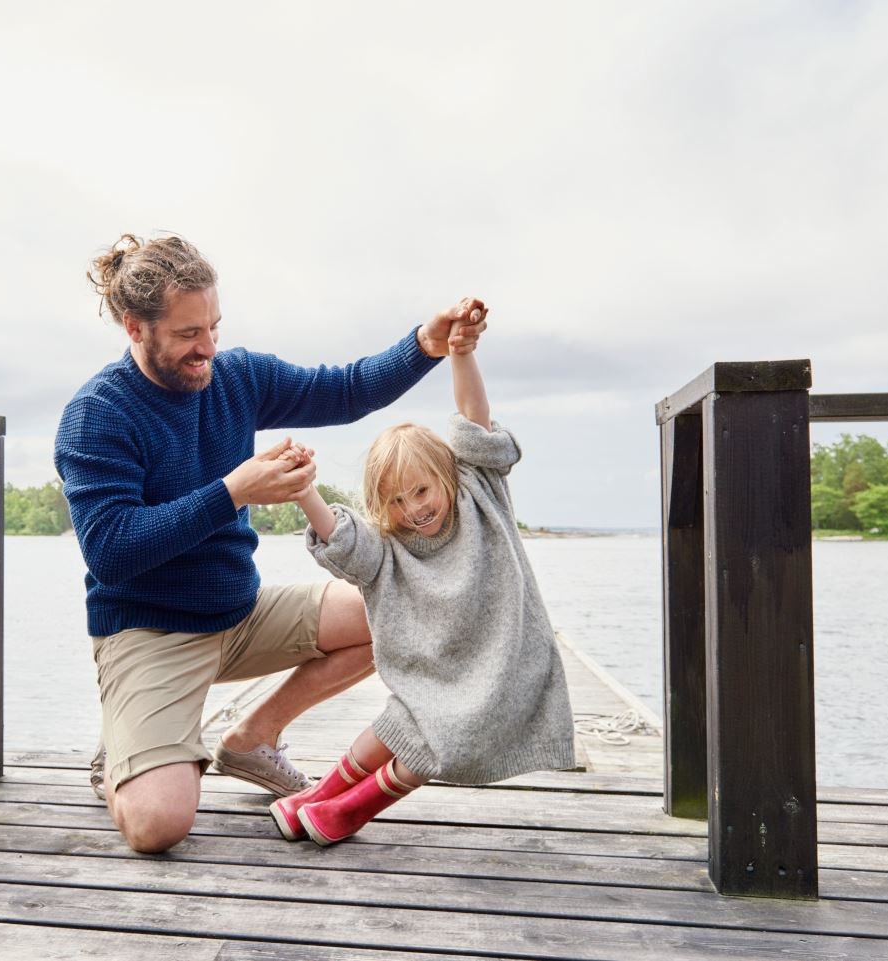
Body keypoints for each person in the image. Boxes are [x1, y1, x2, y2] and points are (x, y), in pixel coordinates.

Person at [53, 232, 488, 853]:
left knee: (402, 605)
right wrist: (233, 490)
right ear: (134, 327)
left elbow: (345, 390)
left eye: (213, 327)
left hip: (241, 613)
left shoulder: (236, 377)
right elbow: (112, 551)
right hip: (149, 632)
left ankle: (254, 735)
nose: (207, 348)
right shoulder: (98, 416)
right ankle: (123, 757)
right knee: (157, 827)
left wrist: (425, 344)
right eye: (186, 335)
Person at [270, 311, 576, 846]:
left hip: (503, 666)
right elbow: (347, 544)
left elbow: (475, 420)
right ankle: (318, 799)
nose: (413, 509)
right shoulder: (391, 546)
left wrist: (460, 351)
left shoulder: (480, 491)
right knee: (402, 720)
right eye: (396, 500)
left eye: (422, 491)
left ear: (449, 475)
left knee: (447, 734)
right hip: (438, 673)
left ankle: (351, 809)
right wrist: (304, 494)